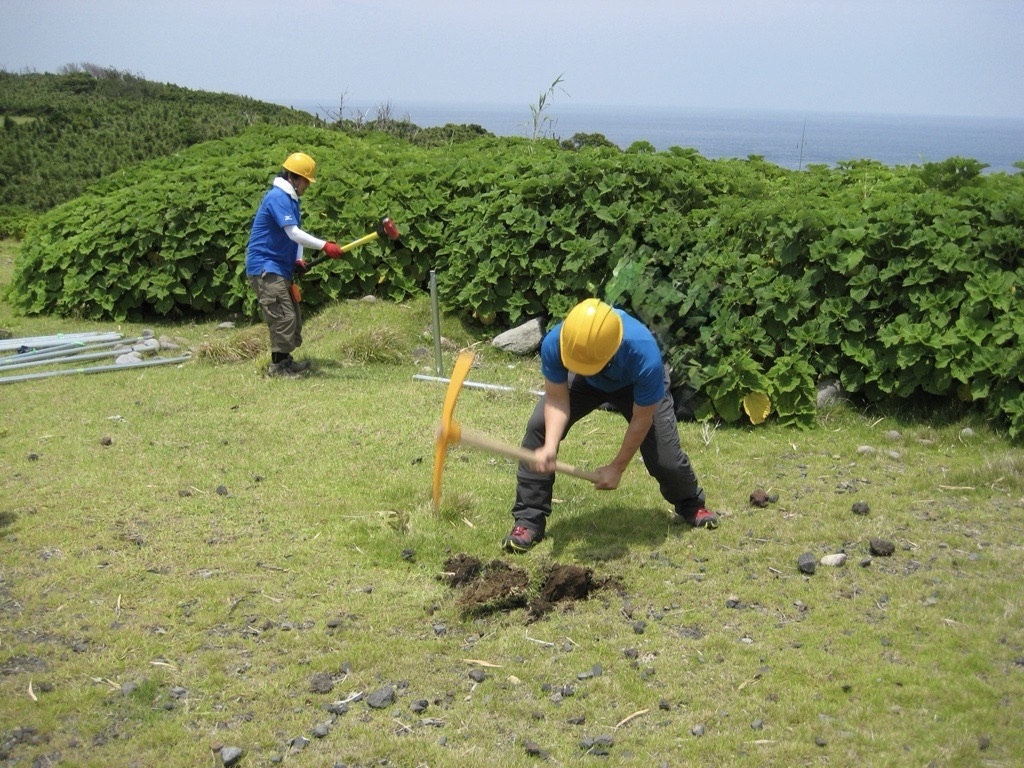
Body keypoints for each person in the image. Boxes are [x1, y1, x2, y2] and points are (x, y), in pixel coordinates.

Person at [503, 298, 717, 553]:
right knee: (539, 428)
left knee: (666, 459)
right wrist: (549, 447)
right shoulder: (559, 342)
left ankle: (691, 503)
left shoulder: (643, 352)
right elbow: (558, 401)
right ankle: (528, 520)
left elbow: (642, 418)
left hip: (634, 386)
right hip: (584, 382)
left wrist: (617, 467)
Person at [245, 152, 344, 377]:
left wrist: (298, 259)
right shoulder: (277, 197)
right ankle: (277, 368)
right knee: (282, 316)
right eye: (306, 181)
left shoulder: (290, 199)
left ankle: (286, 361)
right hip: (265, 268)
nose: (307, 186)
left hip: (280, 267)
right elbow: (293, 232)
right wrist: (324, 246)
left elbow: (293, 236)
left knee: (293, 316)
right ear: (293, 177)